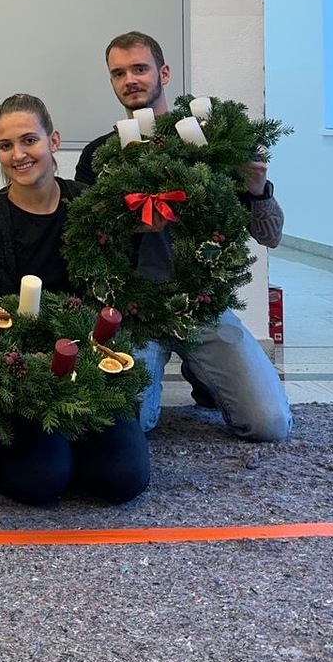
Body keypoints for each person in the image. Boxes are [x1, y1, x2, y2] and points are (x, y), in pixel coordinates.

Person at [74, 31, 291, 444]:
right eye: (119, 73)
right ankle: (181, 374)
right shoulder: (100, 156)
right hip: (134, 310)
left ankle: (204, 370)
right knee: (125, 428)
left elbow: (271, 236)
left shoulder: (208, 146)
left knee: (269, 423)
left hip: (203, 307)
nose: (130, 80)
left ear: (164, 73)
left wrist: (258, 190)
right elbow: (85, 236)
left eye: (140, 68)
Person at [0, 93, 150, 507]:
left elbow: (113, 294)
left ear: (54, 141)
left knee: (124, 480)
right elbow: (1, 324)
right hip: (23, 370)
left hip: (91, 363)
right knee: (40, 482)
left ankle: (75, 444)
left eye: (29, 140)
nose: (18, 155)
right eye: (6, 145)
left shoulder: (89, 207)